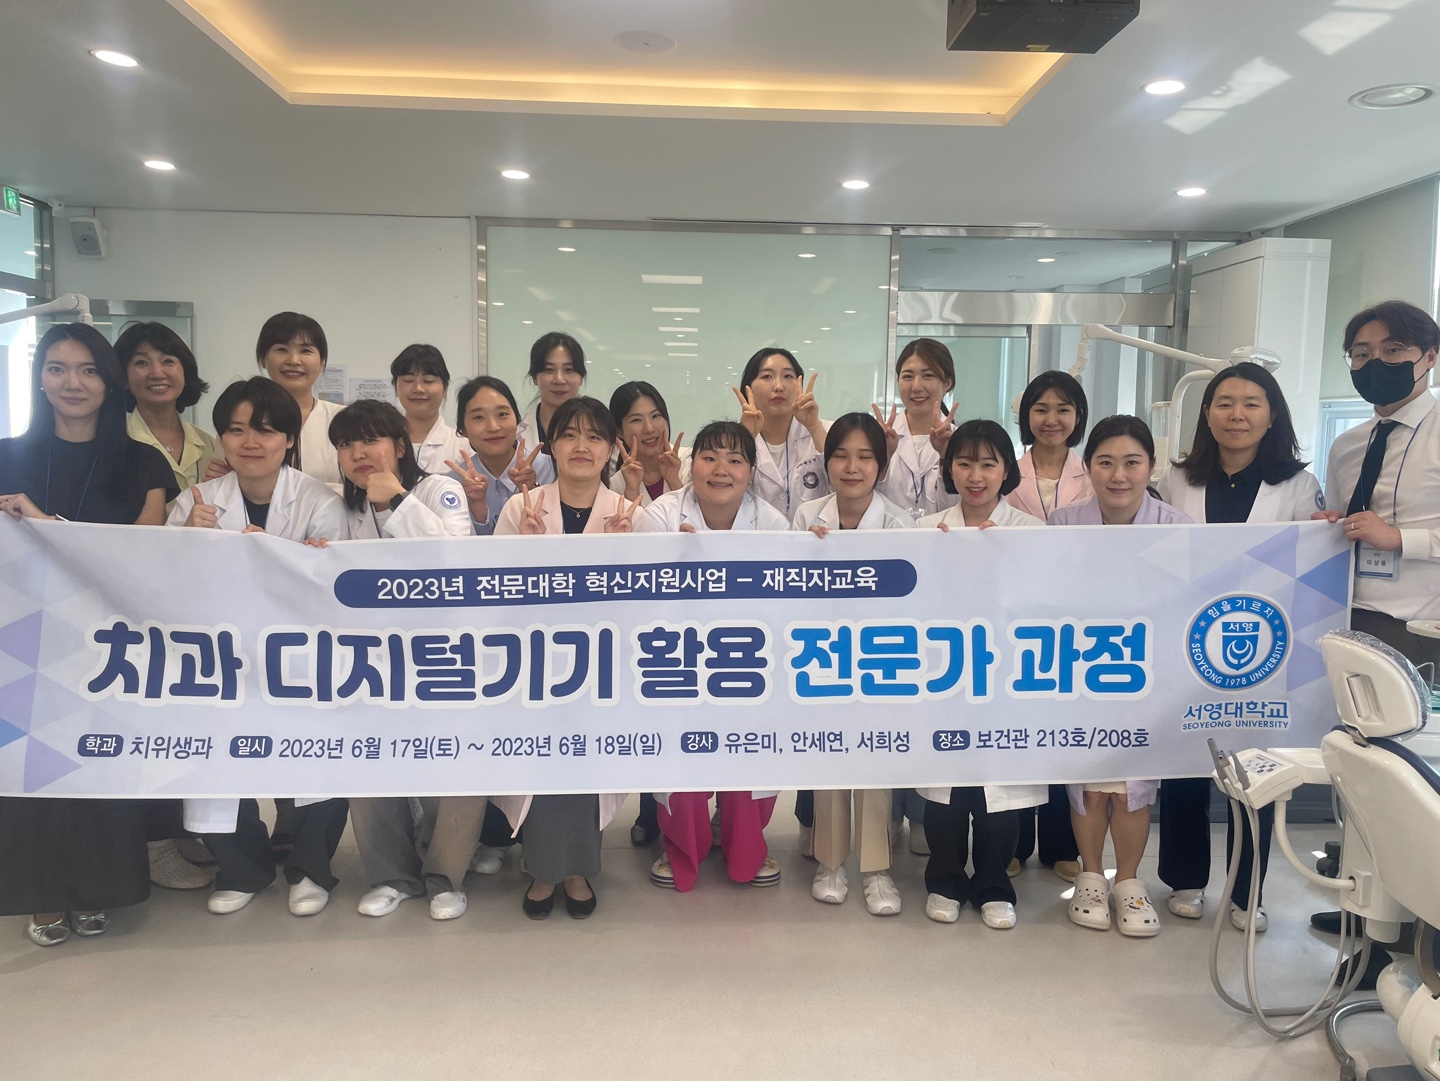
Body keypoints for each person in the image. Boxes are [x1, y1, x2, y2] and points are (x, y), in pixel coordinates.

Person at [0, 323, 176, 946]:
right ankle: (41, 894)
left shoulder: (143, 462)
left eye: (88, 370)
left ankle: (100, 888)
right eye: (56, 368)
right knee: (32, 769)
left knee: (101, 760)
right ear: (39, 379)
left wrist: (45, 524)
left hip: (109, 641)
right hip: (23, 640)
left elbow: (140, 555)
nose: (72, 383)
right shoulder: (5, 455)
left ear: (110, 382)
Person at [168, 377, 348, 917]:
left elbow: (333, 587)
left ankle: (311, 870)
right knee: (215, 760)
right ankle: (242, 869)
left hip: (300, 657)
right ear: (221, 438)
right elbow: (162, 586)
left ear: (289, 439)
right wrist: (187, 541)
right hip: (220, 660)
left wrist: (282, 557)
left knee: (317, 759)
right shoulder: (195, 502)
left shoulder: (320, 501)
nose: (250, 442)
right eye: (236, 429)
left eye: (266, 430)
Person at [1155, 362, 1321, 932]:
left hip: (1263, 647)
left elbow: (1311, 562)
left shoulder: (1297, 485)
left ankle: (1249, 892)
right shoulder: (1178, 479)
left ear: (1272, 415)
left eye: (1252, 403)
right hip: (1186, 642)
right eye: (1224, 403)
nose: (1237, 415)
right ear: (1207, 414)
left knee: (1255, 772)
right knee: (1183, 762)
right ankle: (1185, 880)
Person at [324, 399, 493, 919]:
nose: (358, 452)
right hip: (371, 660)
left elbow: (455, 560)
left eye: (369, 440)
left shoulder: (437, 489)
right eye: (346, 444)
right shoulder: (341, 506)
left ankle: (446, 876)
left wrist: (397, 500)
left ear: (399, 446)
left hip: (444, 653)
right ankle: (392, 875)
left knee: (454, 761)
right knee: (370, 761)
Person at [1313, 300, 1440, 984]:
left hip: (1422, 629)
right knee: (1360, 780)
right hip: (1352, 622)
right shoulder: (1349, 444)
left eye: (1392, 351)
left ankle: (1416, 932)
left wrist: (1404, 539)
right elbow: (1349, 526)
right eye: (1360, 354)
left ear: (1428, 357)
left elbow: (1394, 534)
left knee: (1414, 786)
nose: (1374, 364)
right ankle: (1367, 917)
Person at [1049, 415, 1191, 937]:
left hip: (1147, 676)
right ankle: (1091, 877)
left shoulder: (1178, 528)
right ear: (1087, 467)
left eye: (1132, 463)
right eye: (1105, 463)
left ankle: (1128, 881)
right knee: (1088, 782)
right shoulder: (1063, 523)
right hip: (1081, 670)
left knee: (1134, 785)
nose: (1118, 475)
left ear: (1151, 466)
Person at [493, 396, 634, 919]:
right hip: (532, 668)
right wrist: (526, 554)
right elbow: (495, 596)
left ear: (611, 448)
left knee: (584, 768)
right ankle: (542, 869)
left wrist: (620, 556)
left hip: (600, 670)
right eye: (569, 434)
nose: (581, 446)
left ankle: (575, 870)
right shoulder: (521, 508)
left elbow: (647, 607)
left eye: (594, 437)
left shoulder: (630, 515)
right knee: (541, 768)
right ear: (551, 444)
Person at [634, 421, 790, 892]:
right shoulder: (660, 515)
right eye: (709, 457)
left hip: (747, 661)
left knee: (749, 756)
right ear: (691, 465)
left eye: (735, 460)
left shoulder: (773, 523)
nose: (721, 469)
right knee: (684, 758)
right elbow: (641, 594)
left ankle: (746, 848)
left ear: (751, 472)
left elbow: (786, 601)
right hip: (678, 660)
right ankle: (681, 848)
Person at [916, 420, 1048, 928]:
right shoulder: (926, 532)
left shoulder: (1030, 533)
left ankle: (995, 885)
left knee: (1000, 794)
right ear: (949, 469)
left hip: (1005, 682)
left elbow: (1046, 604)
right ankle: (945, 880)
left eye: (988, 464)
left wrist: (1002, 561)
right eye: (965, 463)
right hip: (944, 679)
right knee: (947, 792)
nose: (976, 476)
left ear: (1006, 470)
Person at [792, 413, 913, 914]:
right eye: (841, 455)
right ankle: (831, 863)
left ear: (880, 466)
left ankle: (877, 870)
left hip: (880, 658)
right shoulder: (807, 516)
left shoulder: (899, 523)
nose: (851, 467)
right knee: (830, 758)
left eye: (865, 457)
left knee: (874, 760)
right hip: (822, 656)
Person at [1006, 370, 1094, 883]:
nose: (1051, 419)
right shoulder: (1006, 471)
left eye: (1063, 409)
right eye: (1041, 409)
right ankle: (1016, 842)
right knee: (1022, 736)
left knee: (1063, 735)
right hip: (1019, 619)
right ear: (1027, 416)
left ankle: (1061, 845)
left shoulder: (1095, 471)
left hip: (1078, 620)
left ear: (1078, 416)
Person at [116, 321, 226, 497]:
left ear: (185, 373)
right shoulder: (114, 442)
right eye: (142, 363)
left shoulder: (208, 444)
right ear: (123, 377)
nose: (157, 373)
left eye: (167, 361)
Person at [732, 347, 830, 521]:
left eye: (788, 376)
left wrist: (814, 427)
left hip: (814, 536)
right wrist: (745, 438)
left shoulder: (827, 432)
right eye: (766, 376)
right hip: (752, 537)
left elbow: (844, 484)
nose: (778, 386)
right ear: (748, 388)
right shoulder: (730, 441)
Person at [445, 375, 550, 536]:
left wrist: (532, 489)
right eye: (478, 417)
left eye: (502, 414)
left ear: (517, 420)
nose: (493, 427)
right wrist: (477, 506)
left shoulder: (549, 468)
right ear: (463, 429)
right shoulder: (453, 484)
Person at [256, 311, 344, 493]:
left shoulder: (344, 419)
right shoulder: (241, 419)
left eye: (306, 351)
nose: (293, 360)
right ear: (263, 359)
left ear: (322, 362)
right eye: (281, 349)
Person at [871, 338, 959, 519]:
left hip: (943, 534)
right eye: (908, 376)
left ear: (947, 383)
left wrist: (946, 459)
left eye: (928, 375)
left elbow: (963, 507)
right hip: (888, 534)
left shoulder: (962, 441)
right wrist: (882, 459)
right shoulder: (879, 437)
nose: (916, 387)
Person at [390, 343, 471, 474]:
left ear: (445, 388)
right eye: (408, 380)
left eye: (428, 381)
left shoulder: (463, 446)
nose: (418, 389)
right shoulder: (382, 441)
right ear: (395, 388)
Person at [608, 380, 690, 507]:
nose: (649, 428)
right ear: (619, 431)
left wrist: (674, 481)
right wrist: (632, 491)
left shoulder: (691, 462)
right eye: (637, 420)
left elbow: (700, 517)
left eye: (655, 416)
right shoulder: (615, 485)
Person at [516, 331, 585, 456]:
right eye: (549, 370)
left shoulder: (602, 434)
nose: (559, 379)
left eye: (569, 370)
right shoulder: (515, 438)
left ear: (581, 378)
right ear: (535, 377)